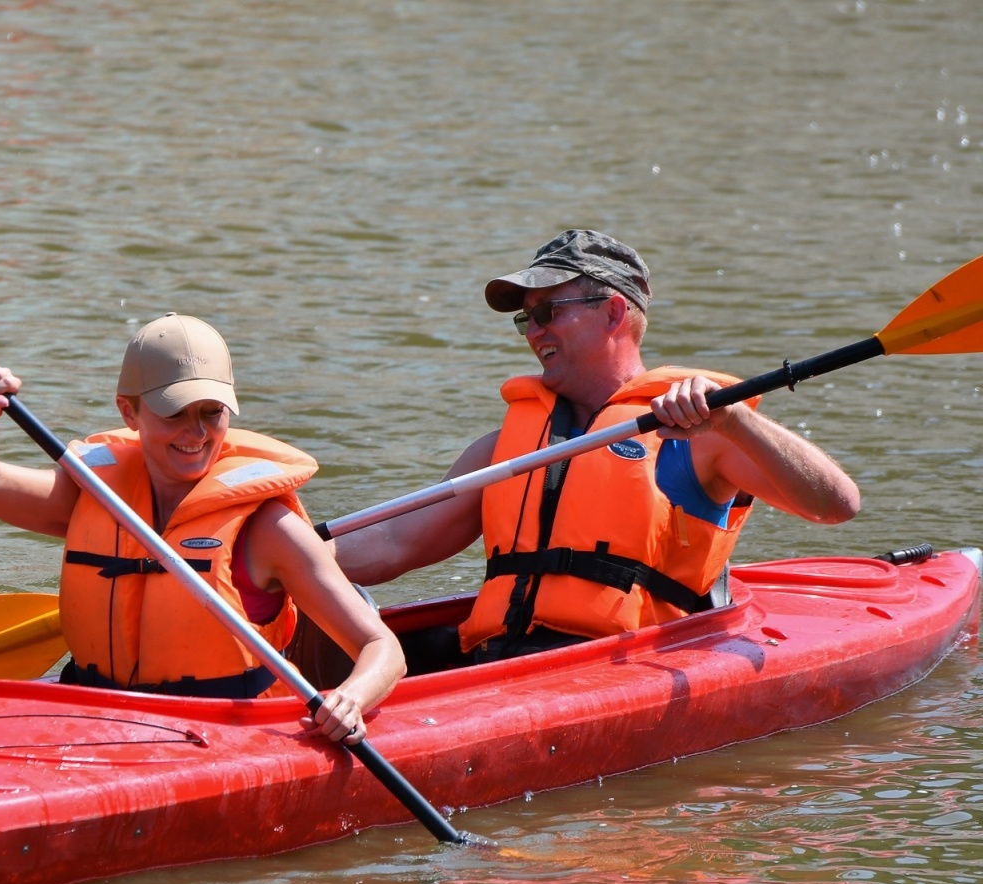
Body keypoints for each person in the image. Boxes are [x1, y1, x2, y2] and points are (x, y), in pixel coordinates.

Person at [334, 230, 860, 667]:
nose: (532, 331)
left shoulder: (701, 436)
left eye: (548, 312)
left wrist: (737, 423)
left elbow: (836, 505)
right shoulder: (506, 449)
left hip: (617, 668)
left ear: (612, 313)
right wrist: (276, 555)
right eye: (526, 318)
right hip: (497, 662)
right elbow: (393, 543)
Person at [0, 312, 405, 742]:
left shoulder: (269, 528)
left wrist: (352, 699)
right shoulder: (93, 495)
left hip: (222, 733)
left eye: (212, 412)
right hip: (94, 713)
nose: (197, 432)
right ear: (129, 412)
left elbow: (381, 646)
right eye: (175, 413)